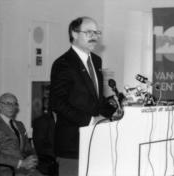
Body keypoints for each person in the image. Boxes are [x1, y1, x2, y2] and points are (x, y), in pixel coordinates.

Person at [49, 16, 116, 176]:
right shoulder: (63, 63)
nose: (95, 36)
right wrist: (90, 121)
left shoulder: (96, 61)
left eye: (97, 32)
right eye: (89, 32)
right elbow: (57, 103)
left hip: (96, 141)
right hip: (72, 143)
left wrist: (115, 110)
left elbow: (96, 100)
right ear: (74, 33)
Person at [0, 93, 43, 176]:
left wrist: (33, 159)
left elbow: (27, 148)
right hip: (5, 170)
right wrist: (20, 163)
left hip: (25, 168)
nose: (12, 107)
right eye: (8, 103)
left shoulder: (20, 125)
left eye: (15, 104)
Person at [32, 111, 58, 176]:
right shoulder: (41, 121)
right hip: (49, 163)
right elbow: (40, 148)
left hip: (67, 160)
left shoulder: (67, 120)